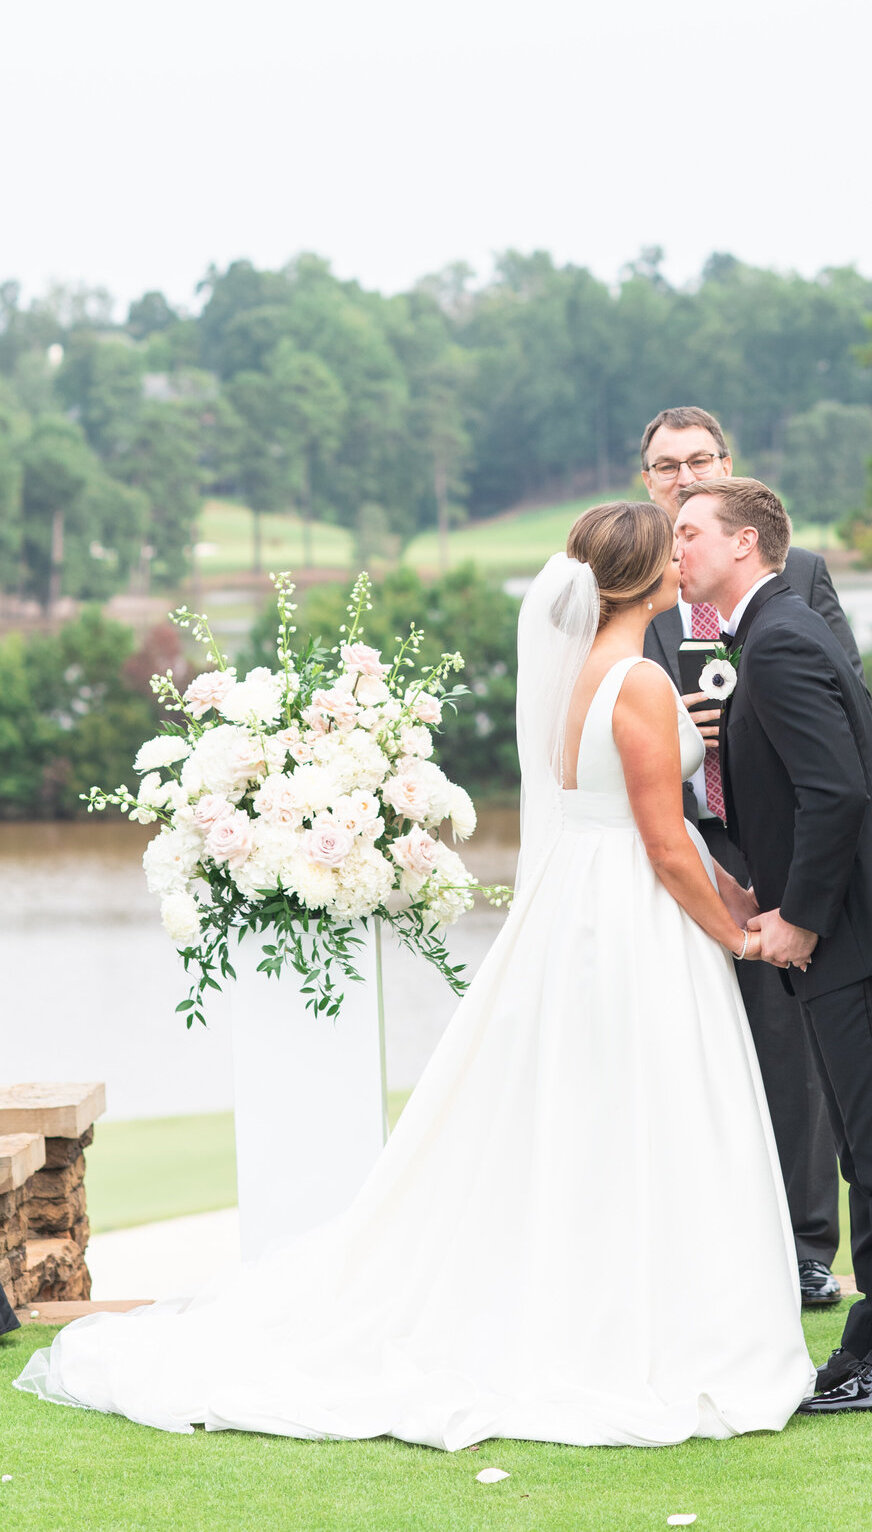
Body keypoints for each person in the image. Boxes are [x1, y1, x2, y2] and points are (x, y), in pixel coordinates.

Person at [16, 502, 814, 1447]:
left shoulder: (586, 673)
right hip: (627, 913)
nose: (687, 557)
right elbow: (663, 844)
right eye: (671, 546)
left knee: (602, 1104)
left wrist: (740, 887)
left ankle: (616, 1291)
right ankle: (635, 1322)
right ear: (642, 577)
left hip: (588, 903)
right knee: (641, 1100)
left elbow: (660, 829)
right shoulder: (636, 679)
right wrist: (734, 934)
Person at [673, 476, 872, 1413]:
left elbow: (840, 796)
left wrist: (799, 917)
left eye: (690, 535)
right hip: (855, 930)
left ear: (747, 544)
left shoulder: (785, 640)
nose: (676, 553)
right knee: (865, 1148)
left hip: (859, 932)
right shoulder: (774, 632)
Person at [640, 406, 852, 1310]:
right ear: (644, 480)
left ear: (728, 466)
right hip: (677, 841)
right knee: (677, 1042)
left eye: (698, 461)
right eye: (664, 466)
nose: (681, 477)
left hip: (773, 840)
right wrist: (666, 737)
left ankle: (806, 1249)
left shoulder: (797, 575)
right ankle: (697, 1246)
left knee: (791, 1048)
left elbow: (843, 692)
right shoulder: (629, 588)